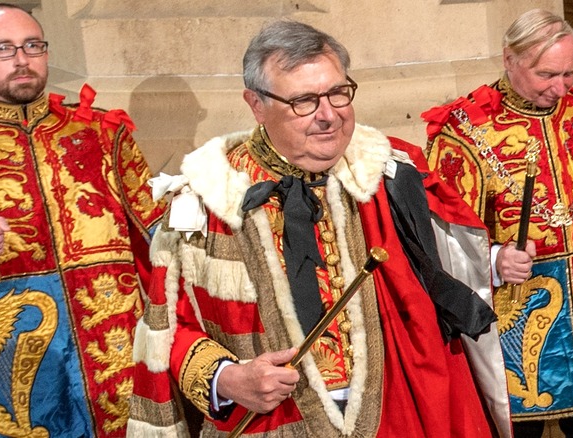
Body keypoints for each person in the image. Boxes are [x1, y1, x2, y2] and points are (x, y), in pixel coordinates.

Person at [129, 20, 512, 437]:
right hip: (273, 423)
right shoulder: (205, 199)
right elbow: (167, 326)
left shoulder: (391, 173)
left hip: (399, 414)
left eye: (337, 93)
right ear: (256, 104)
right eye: (304, 101)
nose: (328, 116)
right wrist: (227, 379)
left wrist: (492, 262)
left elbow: (450, 267)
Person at [422, 8, 573, 438]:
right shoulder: (463, 129)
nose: (561, 87)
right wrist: (496, 259)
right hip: (515, 321)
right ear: (509, 59)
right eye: (547, 74)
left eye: (569, 73)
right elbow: (445, 242)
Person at [0, 3, 166, 437]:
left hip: (118, 349)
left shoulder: (103, 134)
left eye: (32, 46)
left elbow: (159, 241)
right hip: (13, 359)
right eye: (3, 49)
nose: (21, 60)